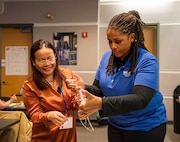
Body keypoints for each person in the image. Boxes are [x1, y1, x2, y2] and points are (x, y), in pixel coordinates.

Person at [76, 10, 167, 142]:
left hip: (145, 126)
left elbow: (141, 99)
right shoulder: (107, 58)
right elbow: (99, 90)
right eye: (110, 41)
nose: (113, 46)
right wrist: (84, 87)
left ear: (131, 37)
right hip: (116, 124)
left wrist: (101, 104)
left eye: (118, 41)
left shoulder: (147, 61)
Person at [22, 39, 83, 142]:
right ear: (33, 62)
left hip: (69, 135)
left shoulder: (67, 74)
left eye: (50, 58)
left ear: (55, 56)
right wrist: (48, 116)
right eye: (41, 60)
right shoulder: (30, 86)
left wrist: (80, 98)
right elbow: (34, 116)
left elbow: (74, 103)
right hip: (46, 136)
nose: (47, 64)